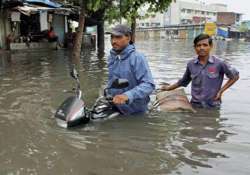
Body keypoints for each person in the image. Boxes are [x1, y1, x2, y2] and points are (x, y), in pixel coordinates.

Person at [161, 34, 239, 108]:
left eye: (205, 45)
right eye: (198, 45)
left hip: (213, 105)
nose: (201, 48)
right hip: (195, 105)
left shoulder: (220, 63)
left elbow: (235, 76)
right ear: (194, 47)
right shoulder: (191, 64)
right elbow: (183, 81)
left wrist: (221, 91)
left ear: (211, 46)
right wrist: (168, 88)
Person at [107, 24, 155, 115]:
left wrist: (127, 95)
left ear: (128, 38)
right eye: (112, 37)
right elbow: (112, 82)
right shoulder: (111, 58)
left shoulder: (137, 58)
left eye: (118, 37)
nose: (113, 41)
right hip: (116, 108)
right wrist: (107, 92)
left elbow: (149, 85)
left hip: (135, 111)